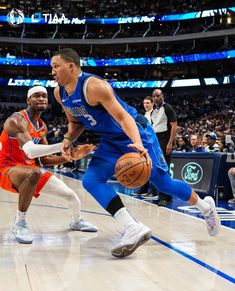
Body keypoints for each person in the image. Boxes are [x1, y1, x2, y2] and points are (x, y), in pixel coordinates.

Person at [51, 48, 220, 258]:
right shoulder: (60, 93)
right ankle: (132, 227)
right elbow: (75, 122)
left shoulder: (95, 86)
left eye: (55, 66)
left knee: (162, 183)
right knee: (91, 180)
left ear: (71, 66)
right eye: (52, 67)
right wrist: (68, 139)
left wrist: (138, 144)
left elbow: (123, 118)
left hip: (136, 132)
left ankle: (205, 208)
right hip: (111, 139)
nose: (52, 71)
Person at [0, 85, 97, 244]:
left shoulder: (42, 126)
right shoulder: (16, 120)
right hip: (6, 168)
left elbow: (44, 159)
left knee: (70, 196)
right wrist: (62, 145)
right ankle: (20, 223)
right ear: (28, 100)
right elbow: (31, 151)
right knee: (34, 173)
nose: (41, 99)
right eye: (36, 96)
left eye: (44, 96)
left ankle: (76, 221)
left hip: (29, 169)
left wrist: (70, 156)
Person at [151, 89, 177, 206]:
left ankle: (167, 198)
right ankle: (162, 196)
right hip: (156, 140)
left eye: (158, 95)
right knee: (158, 168)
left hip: (164, 139)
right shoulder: (153, 112)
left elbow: (174, 126)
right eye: (154, 96)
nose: (156, 98)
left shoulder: (168, 108)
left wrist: (170, 142)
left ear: (163, 96)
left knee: (163, 169)